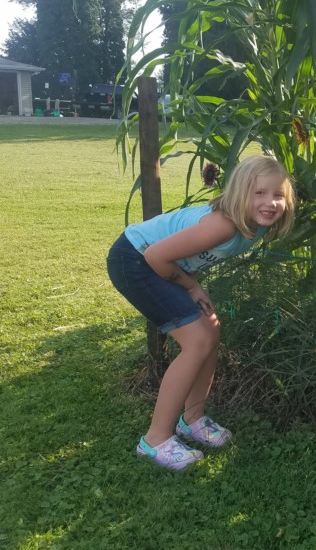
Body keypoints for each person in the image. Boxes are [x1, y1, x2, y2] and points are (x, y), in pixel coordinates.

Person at [106, 154, 295, 470]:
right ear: (239, 193)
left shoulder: (255, 225)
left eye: (279, 194)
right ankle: (154, 441)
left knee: (210, 331)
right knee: (197, 341)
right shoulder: (223, 226)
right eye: (259, 193)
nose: (270, 202)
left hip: (159, 264)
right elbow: (156, 256)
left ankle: (192, 420)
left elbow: (186, 256)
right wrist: (191, 287)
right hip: (135, 261)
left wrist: (189, 282)